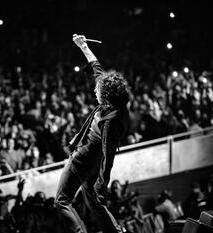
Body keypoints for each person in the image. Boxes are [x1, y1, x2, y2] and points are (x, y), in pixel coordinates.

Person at [55, 34, 130, 233]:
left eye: (97, 90)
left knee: (61, 201)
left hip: (83, 159)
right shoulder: (117, 105)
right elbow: (97, 69)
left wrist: (102, 184)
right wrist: (83, 46)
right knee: (94, 203)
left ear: (106, 94)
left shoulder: (111, 121)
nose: (94, 92)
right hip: (93, 163)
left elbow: (109, 154)